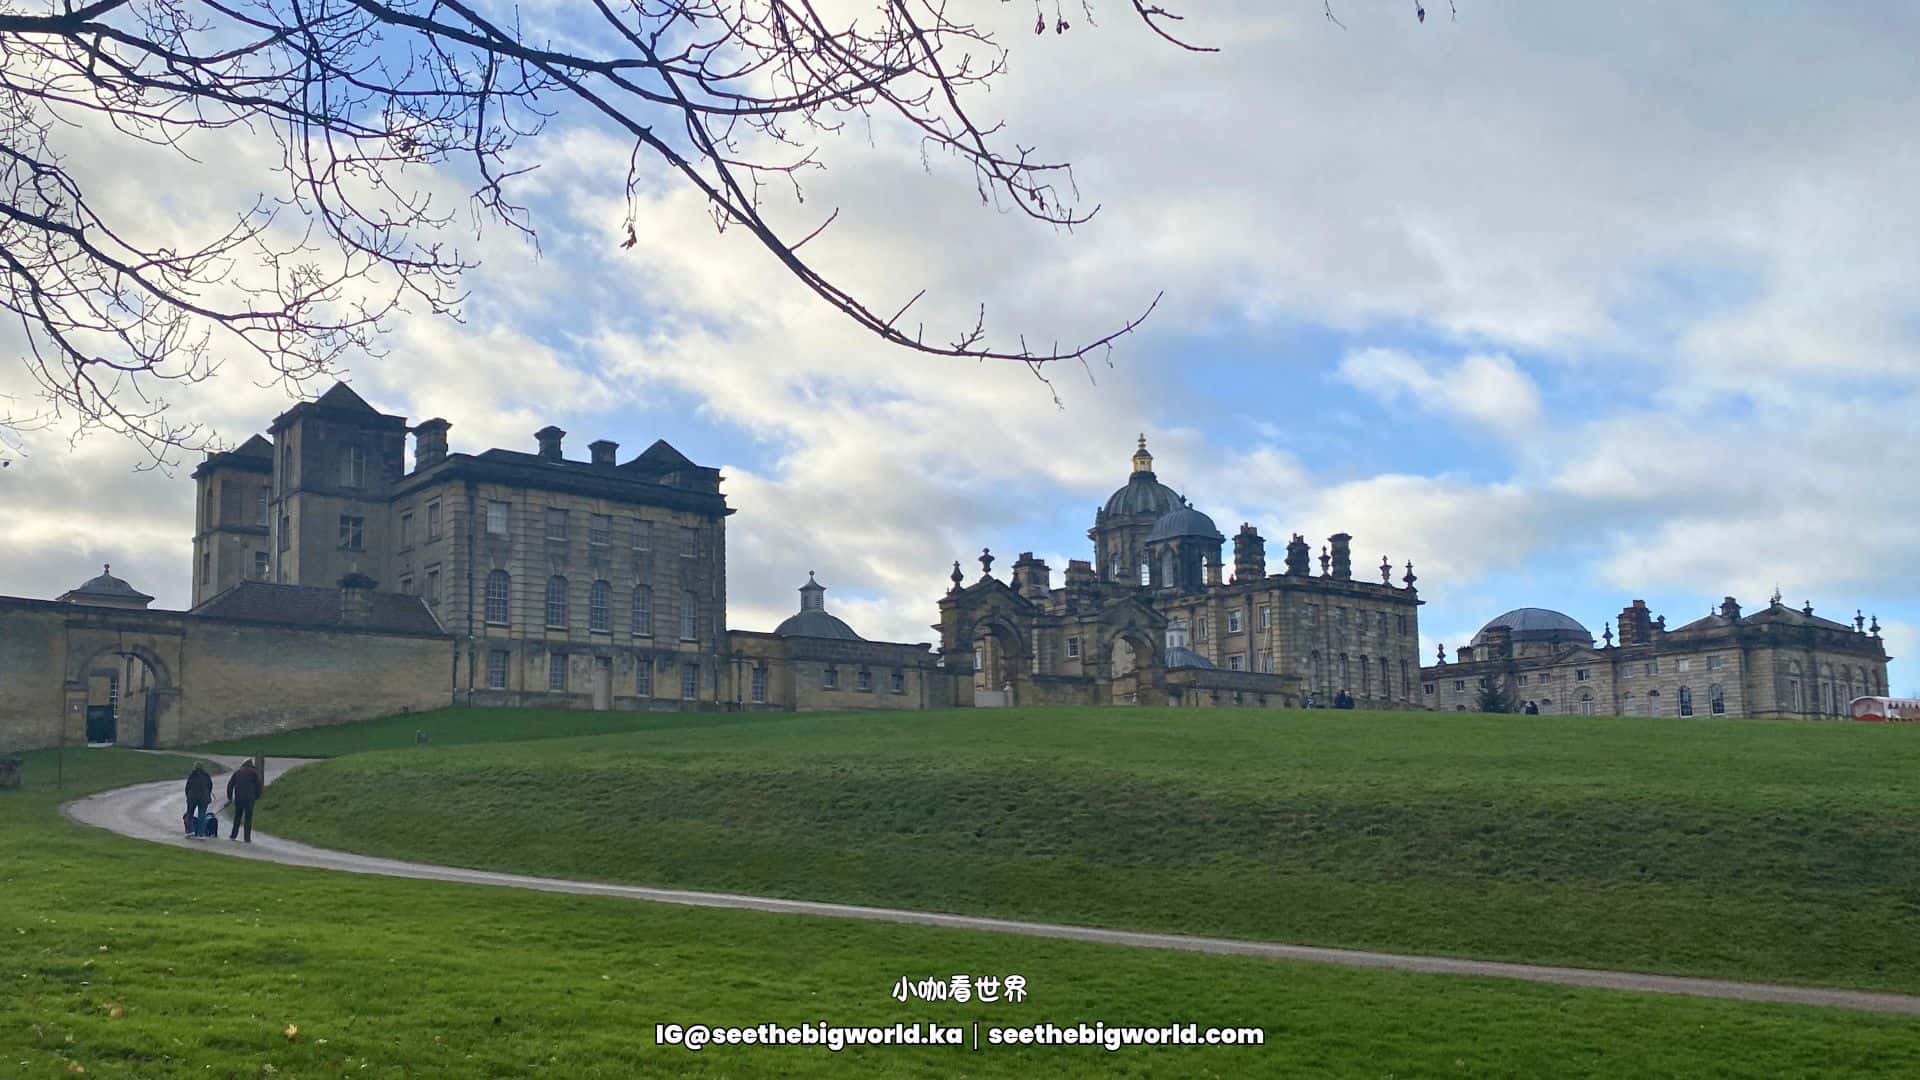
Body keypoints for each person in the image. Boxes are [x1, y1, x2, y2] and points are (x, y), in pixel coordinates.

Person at [226, 758, 264, 842]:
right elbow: (259, 787)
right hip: (250, 799)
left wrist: (229, 797)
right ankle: (247, 838)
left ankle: (233, 835)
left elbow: (230, 785)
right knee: (248, 818)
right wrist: (256, 796)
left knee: (237, 817)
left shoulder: (238, 772)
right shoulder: (254, 773)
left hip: (239, 798)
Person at [183, 762, 213, 836]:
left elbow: (187, 787)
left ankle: (190, 831)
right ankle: (201, 833)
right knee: (202, 816)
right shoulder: (206, 776)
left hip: (192, 798)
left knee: (190, 814)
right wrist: (208, 794)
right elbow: (210, 786)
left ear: (194, 767)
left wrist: (188, 796)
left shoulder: (192, 776)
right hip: (203, 799)